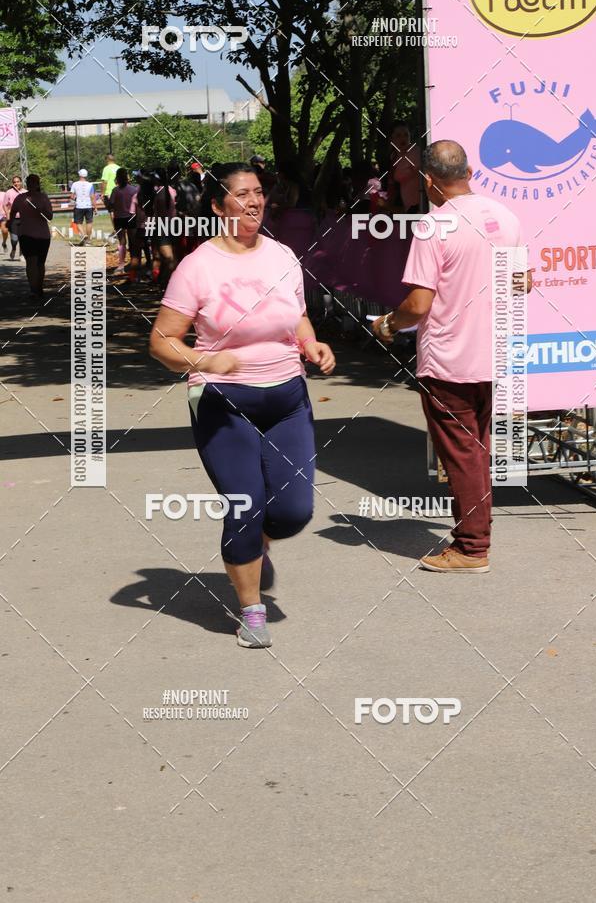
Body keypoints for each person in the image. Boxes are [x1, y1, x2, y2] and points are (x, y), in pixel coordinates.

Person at [149, 162, 335, 649]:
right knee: (245, 505)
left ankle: (256, 545)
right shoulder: (198, 266)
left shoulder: (281, 255)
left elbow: (296, 316)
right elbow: (162, 342)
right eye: (242, 195)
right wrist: (208, 359)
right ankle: (251, 611)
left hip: (288, 397)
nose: (254, 202)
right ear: (217, 206)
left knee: (294, 510)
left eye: (259, 193)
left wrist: (311, 344)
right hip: (223, 403)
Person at [372, 140, 531, 573]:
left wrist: (387, 324)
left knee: (463, 452)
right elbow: (525, 282)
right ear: (470, 172)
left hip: (450, 358)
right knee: (475, 449)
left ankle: (471, 547)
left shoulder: (433, 226)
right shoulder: (505, 215)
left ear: (428, 181)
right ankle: (474, 537)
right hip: (495, 353)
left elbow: (418, 305)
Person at [8, 173, 53, 299]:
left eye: (34, 182)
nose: (32, 184)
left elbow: (49, 216)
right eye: (29, 182)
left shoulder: (43, 197)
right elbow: (12, 214)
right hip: (26, 234)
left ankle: (39, 287)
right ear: (27, 184)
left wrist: (41, 211)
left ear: (38, 184)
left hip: (43, 235)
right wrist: (10, 224)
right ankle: (34, 289)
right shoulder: (20, 198)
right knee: (31, 262)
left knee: (40, 263)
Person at [389, 121, 422, 212]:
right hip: (405, 203)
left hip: (417, 204)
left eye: (406, 135)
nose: (403, 138)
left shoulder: (415, 152)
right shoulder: (394, 155)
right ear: (392, 139)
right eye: (398, 135)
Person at [111, 167, 138, 274]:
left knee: (122, 242)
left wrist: (106, 202)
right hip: (131, 217)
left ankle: (121, 265)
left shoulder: (115, 190)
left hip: (119, 218)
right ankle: (133, 262)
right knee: (133, 241)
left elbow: (111, 206)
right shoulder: (133, 189)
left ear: (117, 178)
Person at [70, 168, 98, 242]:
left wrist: (73, 202)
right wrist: (95, 207)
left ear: (79, 175)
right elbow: (92, 197)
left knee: (78, 222)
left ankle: (83, 234)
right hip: (88, 205)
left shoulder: (74, 184)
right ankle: (88, 239)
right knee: (89, 222)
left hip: (79, 206)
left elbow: (72, 196)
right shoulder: (90, 185)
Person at [4, 174, 24, 259]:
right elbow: (5, 205)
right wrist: (7, 214)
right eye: (14, 182)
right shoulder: (8, 192)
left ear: (21, 182)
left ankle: (21, 254)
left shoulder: (25, 192)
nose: (16, 184)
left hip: (24, 219)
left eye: (18, 182)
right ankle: (14, 249)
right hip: (13, 219)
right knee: (14, 239)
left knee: (23, 238)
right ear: (12, 183)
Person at [100, 153, 119, 219]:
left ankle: (116, 228)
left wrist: (102, 193)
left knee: (112, 211)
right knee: (119, 210)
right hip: (119, 192)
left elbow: (104, 182)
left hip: (109, 193)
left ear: (107, 159)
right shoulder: (119, 167)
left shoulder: (106, 168)